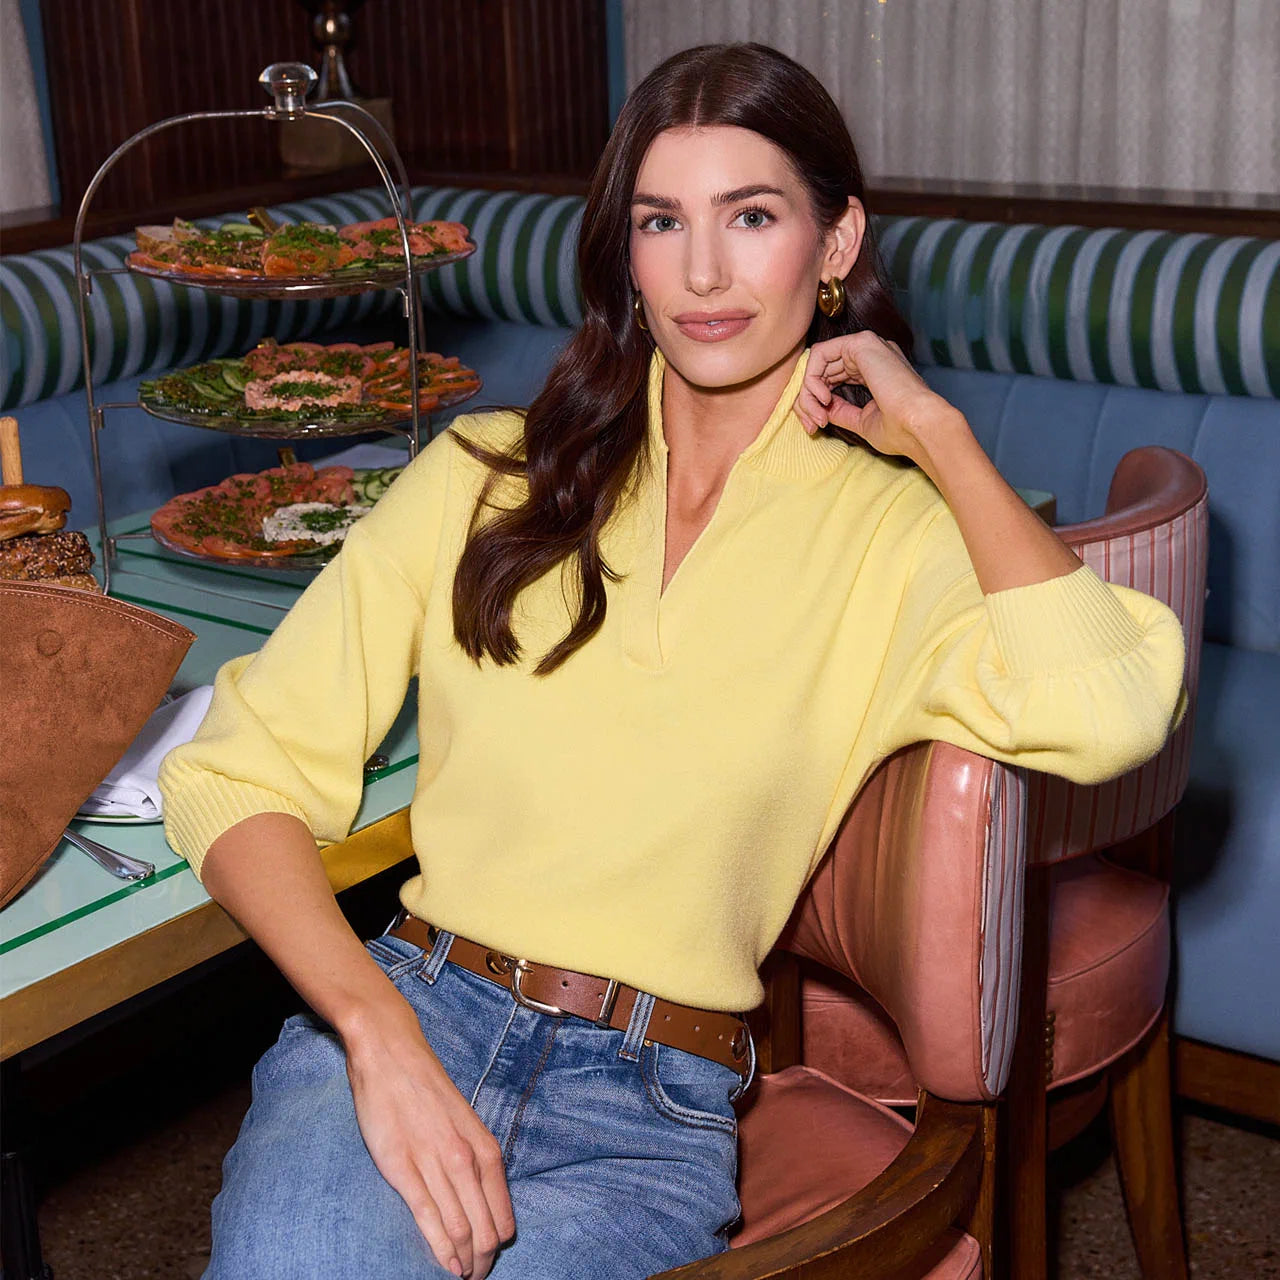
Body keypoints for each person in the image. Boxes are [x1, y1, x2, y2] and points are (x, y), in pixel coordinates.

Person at [159, 42, 1185, 1280]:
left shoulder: (897, 536)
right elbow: (234, 770)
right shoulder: (486, 472)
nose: (701, 270)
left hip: (645, 1107)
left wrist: (935, 433)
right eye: (661, 220)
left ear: (836, 241)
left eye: (751, 215)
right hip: (413, 1008)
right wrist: (373, 1033)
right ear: (624, 252)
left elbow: (1111, 706)